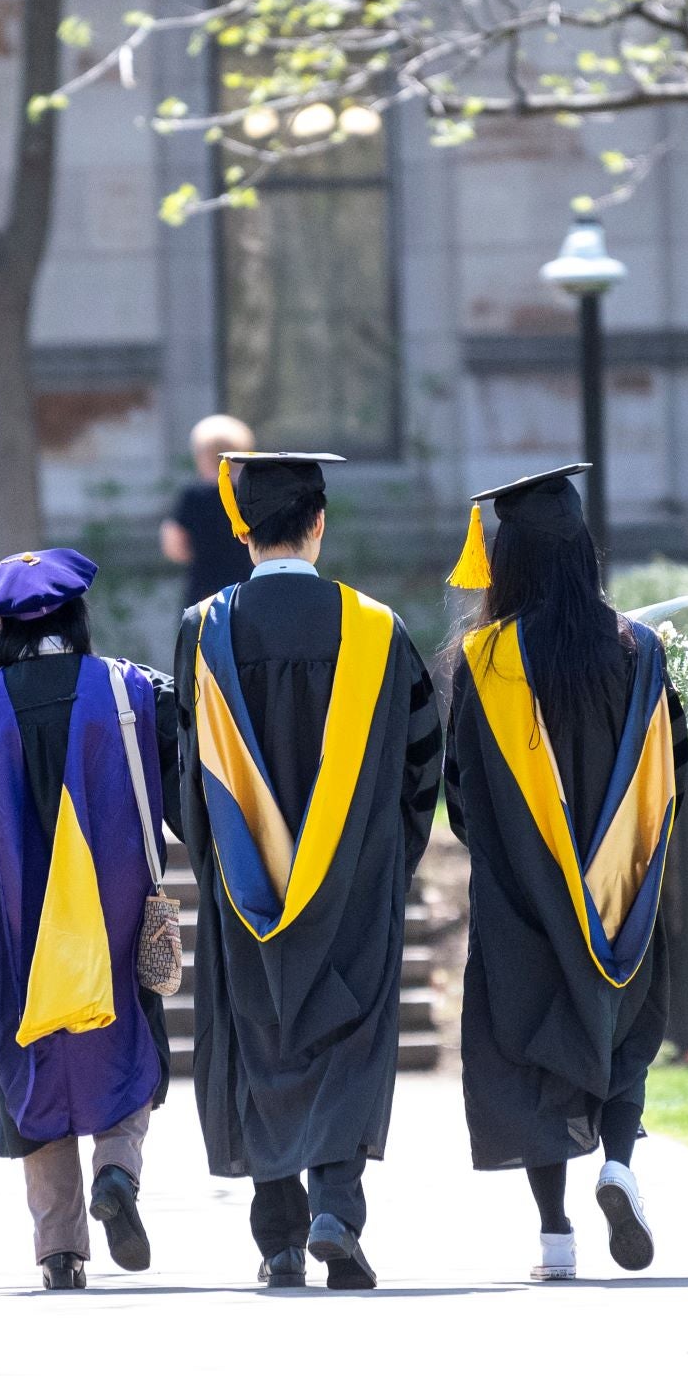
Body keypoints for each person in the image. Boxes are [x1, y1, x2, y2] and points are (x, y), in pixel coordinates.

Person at [170, 451, 439, 1290]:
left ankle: (279, 1237)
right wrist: (389, 859)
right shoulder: (376, 629)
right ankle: (338, 1209)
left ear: (241, 531)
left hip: (246, 881)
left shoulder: (203, 629)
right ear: (319, 524)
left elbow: (188, 770)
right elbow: (419, 765)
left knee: (261, 1035)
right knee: (346, 1033)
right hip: (354, 878)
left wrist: (223, 856)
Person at [441, 464, 688, 1282]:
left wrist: (518, 864)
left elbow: (464, 796)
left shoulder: (486, 661)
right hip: (624, 885)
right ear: (585, 551)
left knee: (532, 1046)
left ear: (507, 565)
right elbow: (669, 774)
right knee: (621, 1025)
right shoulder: (641, 652)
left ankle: (555, 1233)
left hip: (523, 897)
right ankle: (618, 1164)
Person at [0, 549, 174, 1292]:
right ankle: (118, 1172)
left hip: (15, 919)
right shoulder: (127, 690)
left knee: (31, 1054)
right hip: (114, 912)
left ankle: (59, 1248)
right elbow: (181, 775)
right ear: (76, 617)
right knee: (124, 1035)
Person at [160, 414, 256, 607]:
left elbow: (174, 548)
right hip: (247, 589)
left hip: (203, 592)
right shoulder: (253, 493)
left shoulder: (193, 496)